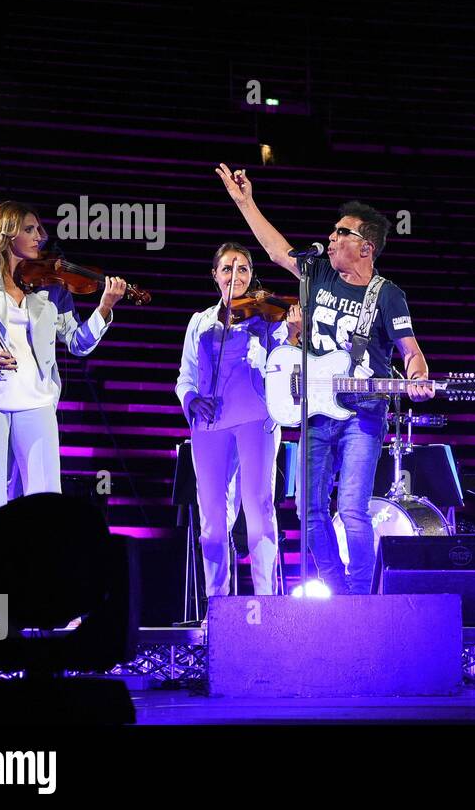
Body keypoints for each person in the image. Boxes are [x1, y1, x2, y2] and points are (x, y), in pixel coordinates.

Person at [214, 163, 434, 595]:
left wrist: (419, 378)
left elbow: (411, 352)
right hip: (315, 411)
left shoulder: (387, 294)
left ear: (366, 247)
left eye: (341, 233)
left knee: (352, 509)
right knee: (308, 509)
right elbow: (278, 252)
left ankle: (361, 598)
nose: (330, 238)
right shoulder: (319, 275)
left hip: (362, 416)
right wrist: (245, 202)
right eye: (332, 232)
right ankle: (337, 594)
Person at [0, 200, 127, 537]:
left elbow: (78, 343)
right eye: (30, 229)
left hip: (36, 400)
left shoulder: (52, 286)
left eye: (40, 229)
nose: (41, 236)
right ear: (7, 234)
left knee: (46, 496)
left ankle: (43, 576)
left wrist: (104, 308)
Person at [176, 242, 300, 597]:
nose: (235, 275)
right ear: (215, 275)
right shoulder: (200, 322)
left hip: (256, 418)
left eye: (243, 268)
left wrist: (289, 334)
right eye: (227, 268)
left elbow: (283, 367)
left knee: (259, 509)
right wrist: (191, 399)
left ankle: (267, 601)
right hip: (210, 424)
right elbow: (185, 376)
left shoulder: (265, 317)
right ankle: (217, 604)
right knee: (212, 521)